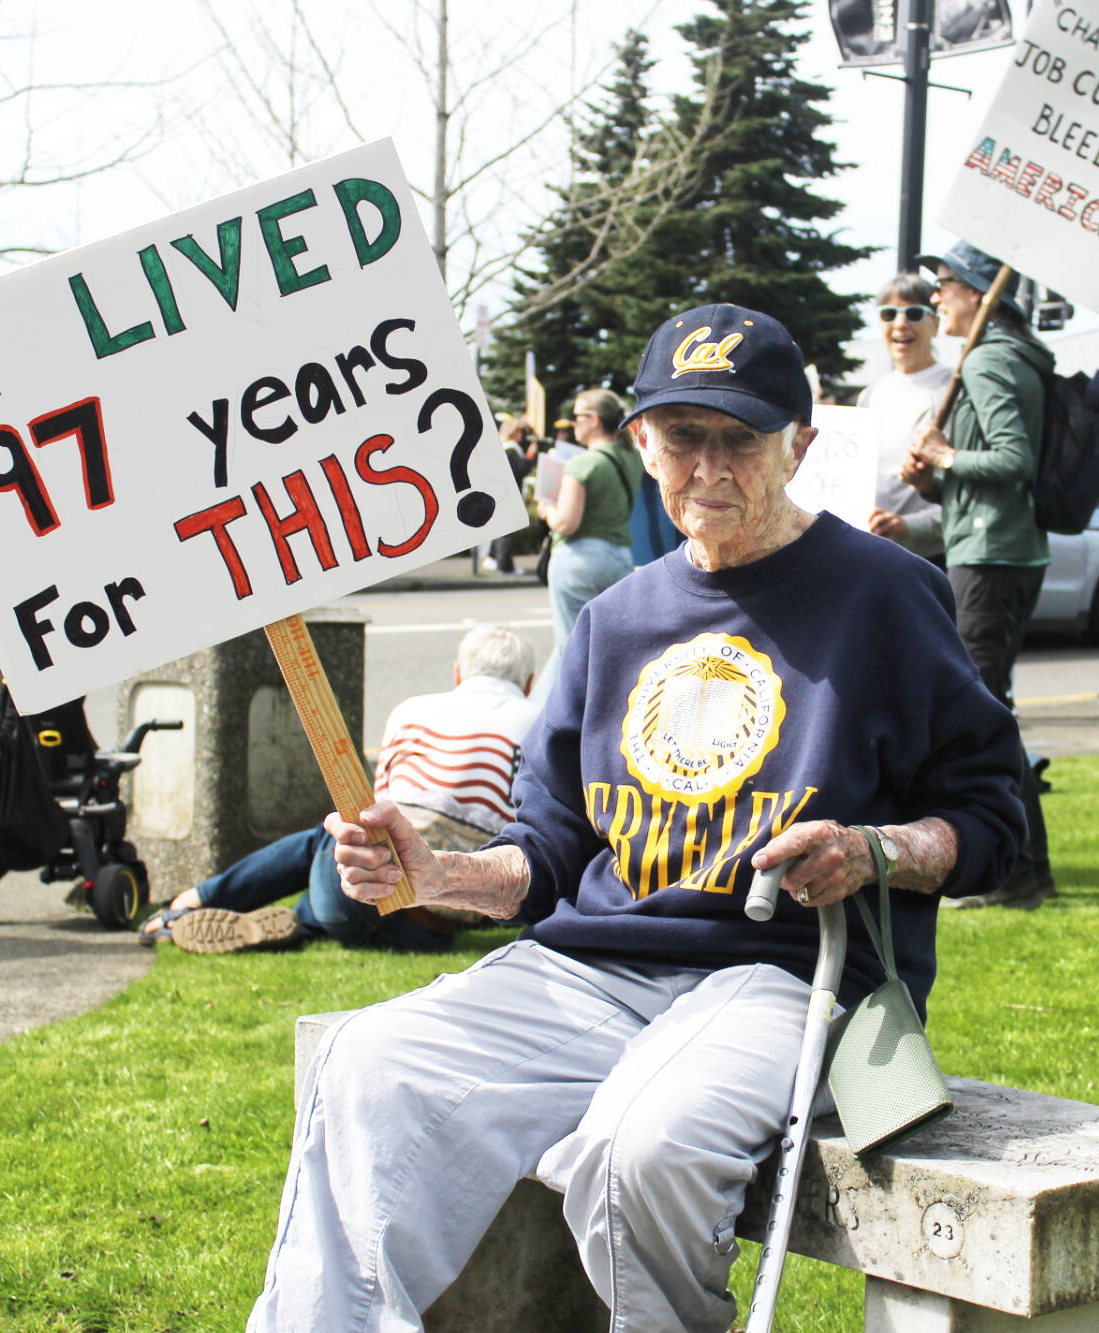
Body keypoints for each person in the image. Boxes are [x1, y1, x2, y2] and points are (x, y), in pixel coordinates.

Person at [247, 303, 1025, 1333]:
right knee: (370, 1063)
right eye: (679, 435)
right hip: (592, 969)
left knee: (636, 1151)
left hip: (785, 972)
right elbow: (552, 845)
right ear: (640, 442)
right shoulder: (616, 619)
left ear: (797, 442)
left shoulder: (884, 595)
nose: (706, 465)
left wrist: (874, 848)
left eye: (738, 437)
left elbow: (988, 816)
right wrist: (435, 876)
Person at [138, 625, 543, 953]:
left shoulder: (412, 711)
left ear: (458, 673)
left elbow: (376, 813)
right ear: (528, 683)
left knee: (326, 838)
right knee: (339, 893)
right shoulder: (538, 725)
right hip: (440, 923)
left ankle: (197, 902)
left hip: (367, 895)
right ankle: (299, 920)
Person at [902, 239, 1054, 908]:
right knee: (988, 709)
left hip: (992, 554)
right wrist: (935, 475)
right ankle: (1023, 870)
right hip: (991, 544)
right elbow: (976, 480)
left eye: (944, 284)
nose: (936, 297)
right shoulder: (993, 358)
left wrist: (947, 453)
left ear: (976, 291)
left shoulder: (990, 362)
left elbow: (1014, 460)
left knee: (984, 717)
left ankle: (1017, 870)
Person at [531, 388, 643, 707]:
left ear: (594, 421)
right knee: (596, 643)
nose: (572, 424)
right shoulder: (630, 457)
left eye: (577, 417)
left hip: (577, 559)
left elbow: (566, 523)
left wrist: (545, 510)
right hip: (619, 557)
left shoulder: (582, 465)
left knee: (573, 648)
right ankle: (538, 711)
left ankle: (571, 720)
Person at [859, 272, 950, 563]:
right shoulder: (870, 394)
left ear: (936, 324)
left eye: (914, 313)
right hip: (870, 553)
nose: (900, 324)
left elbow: (965, 491)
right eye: (888, 314)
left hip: (929, 559)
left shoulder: (954, 391)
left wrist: (911, 527)